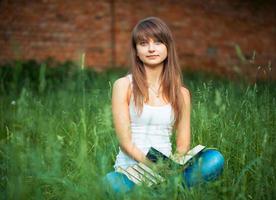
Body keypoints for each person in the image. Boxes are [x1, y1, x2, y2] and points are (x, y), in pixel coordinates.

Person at [104, 16, 224, 193]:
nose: (151, 49)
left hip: (167, 173)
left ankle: (165, 190)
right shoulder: (123, 85)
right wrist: (154, 167)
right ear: (136, 51)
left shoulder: (182, 93)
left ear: (168, 48)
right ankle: (167, 193)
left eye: (158, 42)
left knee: (214, 159)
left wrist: (171, 169)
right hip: (131, 173)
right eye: (144, 43)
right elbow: (125, 143)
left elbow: (183, 144)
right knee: (110, 182)